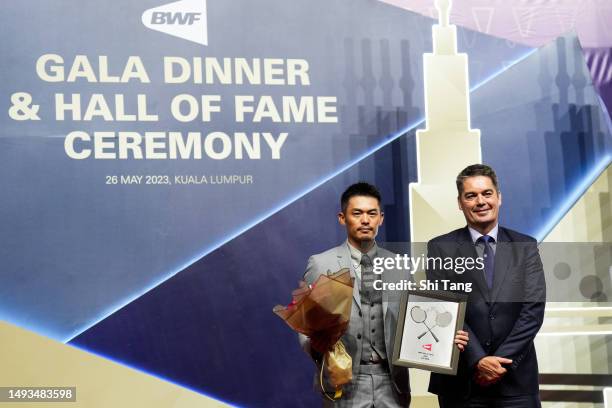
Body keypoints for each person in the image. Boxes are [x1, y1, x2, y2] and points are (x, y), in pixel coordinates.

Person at [300, 182, 469, 407]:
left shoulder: (399, 265)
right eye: (357, 213)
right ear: (342, 218)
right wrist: (316, 347)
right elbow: (306, 326)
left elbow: (415, 320)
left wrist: (447, 339)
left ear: (381, 218)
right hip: (344, 380)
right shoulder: (321, 263)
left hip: (391, 383)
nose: (365, 220)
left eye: (372, 213)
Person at [426, 164, 546, 408]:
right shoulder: (440, 247)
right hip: (461, 384)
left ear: (499, 198)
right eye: (471, 196)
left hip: (516, 382)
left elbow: (532, 310)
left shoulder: (525, 245)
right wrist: (478, 360)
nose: (480, 201)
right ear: (460, 203)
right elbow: (445, 309)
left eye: (487, 193)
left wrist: (499, 362)